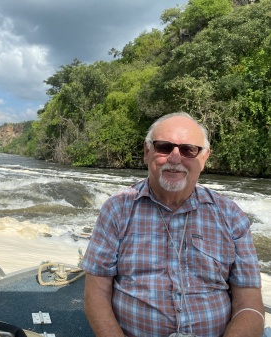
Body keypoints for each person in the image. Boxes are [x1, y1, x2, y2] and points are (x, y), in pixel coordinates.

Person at [81, 112, 265, 337]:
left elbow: (250, 303)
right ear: (147, 152)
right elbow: (96, 293)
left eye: (189, 149)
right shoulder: (117, 209)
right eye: (164, 147)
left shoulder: (231, 215)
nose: (175, 158)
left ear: (204, 157)